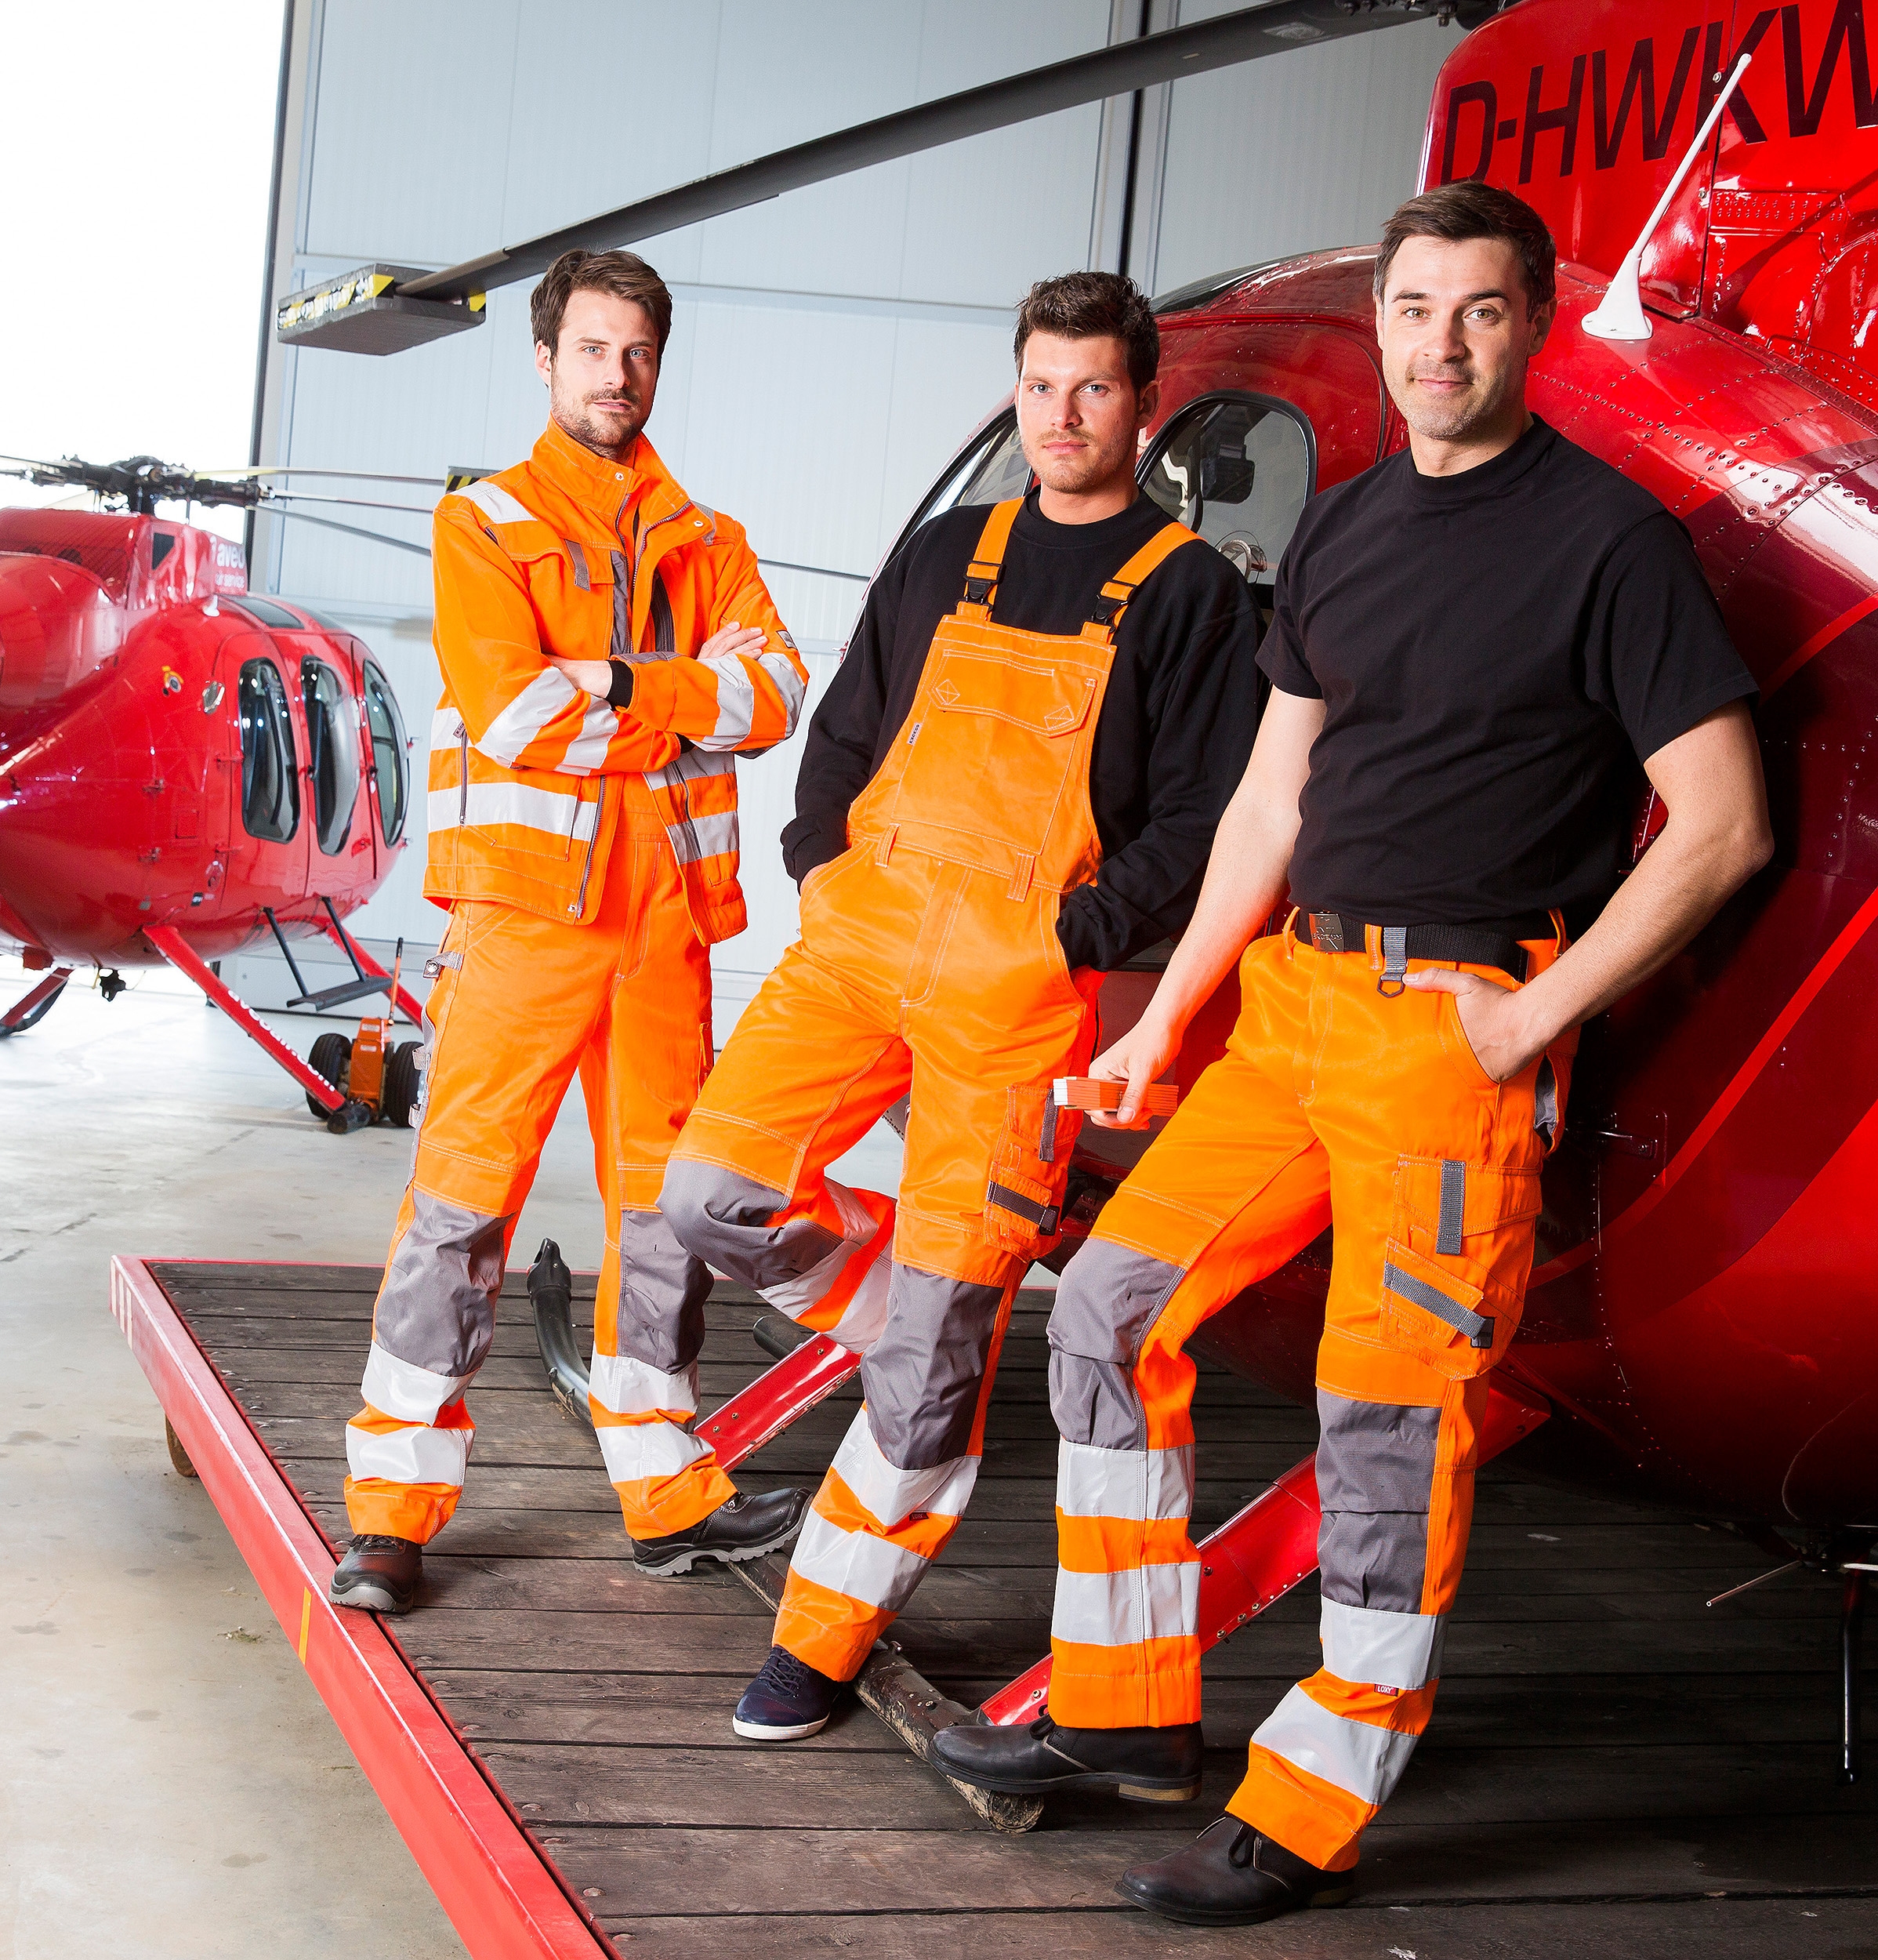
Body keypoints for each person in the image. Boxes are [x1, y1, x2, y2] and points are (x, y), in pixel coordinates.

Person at [927, 183, 1772, 1925]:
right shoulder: (1347, 526)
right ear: (1379, 319)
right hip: (1293, 1016)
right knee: (1102, 1310)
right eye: (1409, 309)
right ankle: (1124, 1711)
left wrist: (1531, 1019)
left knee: (1385, 1426)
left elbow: (1720, 822)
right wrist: (1165, 1017)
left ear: (1529, 323)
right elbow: (1269, 795)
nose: (1436, 343)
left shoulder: (1608, 544)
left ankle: (1309, 1799)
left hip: (1450, 1040)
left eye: (1474, 310)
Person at [656, 270, 1262, 1740]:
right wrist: (820, 869)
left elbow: (1203, 815)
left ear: (1143, 403)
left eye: (1094, 390)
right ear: (1019, 393)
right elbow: (848, 726)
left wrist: (1072, 935)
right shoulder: (946, 552)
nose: (1062, 417)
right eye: (1040, 388)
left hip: (1013, 988)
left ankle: (825, 1636)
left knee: (935, 1355)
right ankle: (911, 1319)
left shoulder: (1188, 592)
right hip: (858, 944)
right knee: (707, 1194)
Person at [330, 249, 812, 1613]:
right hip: (525, 928)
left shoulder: (710, 538)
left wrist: (603, 678)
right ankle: (391, 1516)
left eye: (638, 351)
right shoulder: (483, 524)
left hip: (664, 932)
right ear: (544, 362)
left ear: (660, 363)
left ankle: (669, 1495)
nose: (618, 374)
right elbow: (508, 706)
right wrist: (678, 693)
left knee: (664, 1217)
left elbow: (772, 693)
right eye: (592, 349)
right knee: (461, 1206)